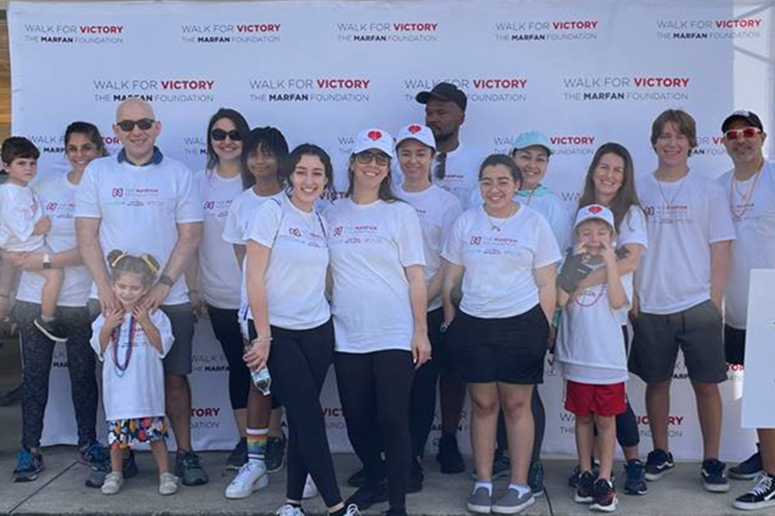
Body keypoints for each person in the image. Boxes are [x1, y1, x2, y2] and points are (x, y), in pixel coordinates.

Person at [75, 98, 207, 486]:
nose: (137, 131)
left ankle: (185, 455)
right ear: (115, 132)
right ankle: (124, 457)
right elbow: (86, 234)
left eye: (144, 123)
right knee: (117, 379)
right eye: (127, 125)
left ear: (157, 127)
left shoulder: (179, 173)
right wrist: (104, 288)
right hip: (111, 297)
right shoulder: (97, 173)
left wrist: (164, 285)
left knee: (175, 379)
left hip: (172, 296)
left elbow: (191, 235)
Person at [442, 154, 560, 515]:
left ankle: (520, 485)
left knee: (516, 404)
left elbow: (547, 283)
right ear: (479, 186)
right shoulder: (465, 222)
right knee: (483, 404)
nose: (494, 189)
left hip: (521, 324)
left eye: (502, 182)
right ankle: (482, 482)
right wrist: (451, 322)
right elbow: (451, 279)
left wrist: (545, 326)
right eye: (487, 182)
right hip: (474, 324)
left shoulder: (534, 223)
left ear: (517, 185)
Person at [244, 143, 358, 516]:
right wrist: (262, 335)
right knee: (309, 416)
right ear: (290, 175)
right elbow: (254, 277)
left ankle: (292, 503)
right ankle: (337, 507)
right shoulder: (271, 212)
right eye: (302, 172)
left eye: (318, 173)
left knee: (301, 416)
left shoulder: (322, 220)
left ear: (327, 180)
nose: (309, 181)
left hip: (317, 330)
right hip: (278, 332)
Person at [630, 109, 735, 493]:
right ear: (654, 141)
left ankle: (711, 459)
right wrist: (633, 295)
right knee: (656, 384)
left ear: (692, 143)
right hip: (651, 305)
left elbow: (721, 248)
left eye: (679, 136)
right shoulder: (637, 190)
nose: (671, 143)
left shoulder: (709, 190)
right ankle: (660, 451)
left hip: (697, 305)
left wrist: (714, 301)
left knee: (706, 386)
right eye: (664, 136)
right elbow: (628, 250)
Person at [328, 128, 430, 516]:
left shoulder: (400, 213)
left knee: (392, 417)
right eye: (366, 157)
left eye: (380, 159)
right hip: (347, 333)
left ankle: (398, 503)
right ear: (352, 162)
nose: (373, 165)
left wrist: (420, 330)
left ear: (388, 169)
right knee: (356, 420)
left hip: (393, 331)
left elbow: (416, 276)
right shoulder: (330, 212)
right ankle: (375, 480)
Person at [2, 123, 107, 482]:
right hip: (33, 300)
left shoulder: (102, 190)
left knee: (83, 377)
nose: (80, 155)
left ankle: (88, 444)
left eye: (88, 148)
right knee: (34, 379)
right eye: (73, 148)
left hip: (80, 301)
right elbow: (16, 242)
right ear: (65, 151)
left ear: (99, 150)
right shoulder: (41, 186)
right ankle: (30, 448)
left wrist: (46, 263)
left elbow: (93, 249)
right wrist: (5, 294)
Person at [470, 131, 573, 493]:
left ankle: (531, 466)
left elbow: (554, 271)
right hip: (483, 317)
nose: (532, 165)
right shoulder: (481, 196)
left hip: (528, 316)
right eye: (526, 157)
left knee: (523, 398)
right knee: (487, 397)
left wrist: (550, 320)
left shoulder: (554, 207)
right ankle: (500, 457)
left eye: (540, 159)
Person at [415, 81, 485, 477]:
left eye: (442, 111)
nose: (433, 118)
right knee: (417, 370)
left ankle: (447, 439)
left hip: (462, 284)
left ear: (461, 115)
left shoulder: (479, 163)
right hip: (417, 286)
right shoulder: (404, 160)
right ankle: (412, 443)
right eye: (429, 112)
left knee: (453, 370)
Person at [574, 143, 648, 496]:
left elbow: (630, 261)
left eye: (618, 170)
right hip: (581, 322)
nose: (609, 175)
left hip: (613, 319)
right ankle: (589, 470)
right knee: (586, 406)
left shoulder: (631, 213)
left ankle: (633, 462)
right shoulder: (578, 210)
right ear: (593, 170)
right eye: (604, 167)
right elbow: (565, 266)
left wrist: (584, 280)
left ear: (625, 177)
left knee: (616, 401)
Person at [395, 123, 463, 492]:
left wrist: (422, 301)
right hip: (390, 311)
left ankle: (414, 460)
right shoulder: (386, 195)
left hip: (431, 307)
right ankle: (389, 457)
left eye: (420, 153)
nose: (413, 160)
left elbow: (449, 263)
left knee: (422, 390)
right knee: (391, 390)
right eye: (406, 153)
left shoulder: (447, 203)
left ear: (432, 158)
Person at [221, 126, 287, 499]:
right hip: (254, 314)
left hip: (297, 314)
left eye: (268, 154)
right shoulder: (242, 203)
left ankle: (305, 465)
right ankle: (256, 463)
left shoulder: (298, 198)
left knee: (296, 387)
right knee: (259, 385)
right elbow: (245, 264)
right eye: (254, 155)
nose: (260, 161)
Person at [714, 110, 775, 511]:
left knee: (766, 393)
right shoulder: (719, 186)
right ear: (723, 143)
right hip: (736, 304)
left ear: (763, 136)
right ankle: (765, 452)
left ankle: (772, 477)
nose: (742, 139)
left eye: (749, 132)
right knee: (758, 389)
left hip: (770, 298)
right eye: (733, 134)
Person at [556, 204, 632, 513]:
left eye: (602, 232)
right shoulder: (569, 265)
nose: (594, 238)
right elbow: (560, 300)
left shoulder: (622, 267)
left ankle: (604, 477)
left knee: (606, 419)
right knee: (582, 418)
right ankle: (585, 472)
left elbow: (617, 301)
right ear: (576, 236)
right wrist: (575, 262)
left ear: (613, 236)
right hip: (577, 358)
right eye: (587, 232)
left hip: (608, 361)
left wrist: (610, 263)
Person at [188, 108, 252, 470]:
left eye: (234, 134)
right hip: (219, 297)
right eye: (218, 134)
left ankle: (272, 439)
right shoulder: (199, 182)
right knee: (238, 368)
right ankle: (246, 441)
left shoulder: (256, 179)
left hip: (260, 298)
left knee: (265, 372)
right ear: (210, 140)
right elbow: (190, 240)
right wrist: (194, 289)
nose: (226, 141)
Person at [91, 250, 177, 496]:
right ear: (113, 285)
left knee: (155, 436)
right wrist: (108, 326)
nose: (127, 292)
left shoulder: (156, 315)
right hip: (119, 393)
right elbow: (99, 346)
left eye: (134, 288)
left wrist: (146, 322)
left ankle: (165, 474)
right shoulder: (106, 315)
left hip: (146, 391)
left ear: (146, 288)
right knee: (117, 439)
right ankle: (115, 473)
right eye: (122, 286)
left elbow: (162, 347)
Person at [0, 137, 65, 342]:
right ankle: (46, 318)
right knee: (55, 274)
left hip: (31, 246)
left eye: (32, 163)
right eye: (21, 163)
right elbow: (19, 228)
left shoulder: (24, 188)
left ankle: (14, 317)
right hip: (24, 249)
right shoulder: (8, 193)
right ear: (6, 166)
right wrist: (39, 228)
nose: (28, 168)